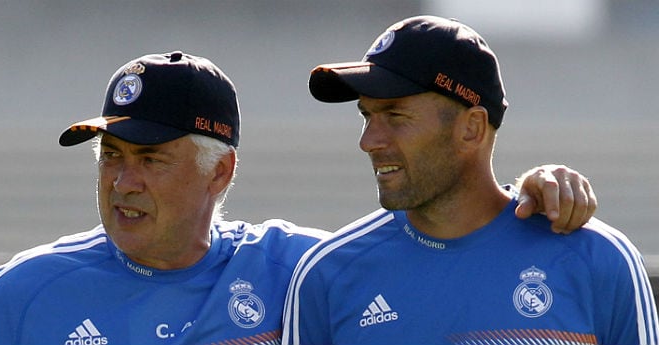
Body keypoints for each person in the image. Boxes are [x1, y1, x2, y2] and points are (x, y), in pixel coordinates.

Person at [0, 51, 595, 345]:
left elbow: (441, 234)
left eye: (151, 159)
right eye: (111, 158)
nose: (123, 182)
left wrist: (531, 191)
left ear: (220, 172)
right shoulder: (21, 293)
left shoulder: (297, 269)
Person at [282, 16, 658, 345]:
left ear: (472, 128)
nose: (368, 142)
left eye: (395, 115)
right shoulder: (327, 275)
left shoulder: (598, 260)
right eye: (366, 116)